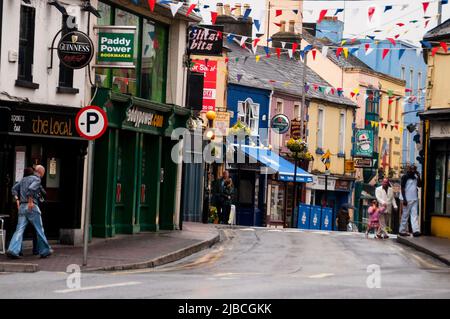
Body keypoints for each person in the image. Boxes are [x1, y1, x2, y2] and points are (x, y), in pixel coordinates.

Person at [6, 165, 52, 259]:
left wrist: (17, 200)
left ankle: (13, 250)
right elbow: (31, 189)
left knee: (19, 229)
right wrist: (30, 201)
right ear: (41, 172)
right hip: (32, 206)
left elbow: (14, 189)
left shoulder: (23, 180)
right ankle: (44, 250)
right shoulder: (37, 179)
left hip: (22, 206)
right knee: (39, 229)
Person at [399, 164, 422, 237]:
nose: (413, 171)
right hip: (407, 199)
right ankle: (402, 230)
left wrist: (418, 176)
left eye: (414, 169)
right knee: (405, 215)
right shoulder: (405, 177)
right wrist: (404, 199)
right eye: (412, 169)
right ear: (409, 169)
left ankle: (415, 231)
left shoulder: (415, 177)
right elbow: (402, 188)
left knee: (414, 215)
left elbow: (419, 185)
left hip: (414, 198)